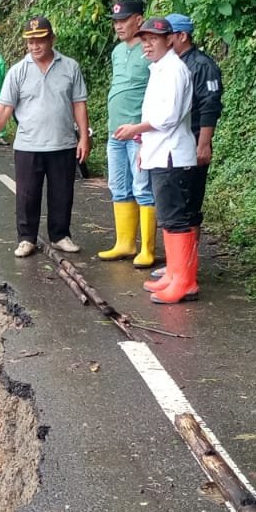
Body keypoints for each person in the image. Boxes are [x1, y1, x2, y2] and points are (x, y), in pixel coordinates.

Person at [0, 16, 90, 258]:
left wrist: (84, 137)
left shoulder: (70, 67)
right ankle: (26, 239)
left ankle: (60, 236)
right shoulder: (18, 71)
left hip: (62, 143)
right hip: (28, 145)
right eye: (30, 41)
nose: (34, 46)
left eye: (39, 40)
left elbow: (79, 104)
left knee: (62, 193)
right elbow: (4, 108)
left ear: (52, 39)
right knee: (27, 195)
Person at [109, 17, 197, 303]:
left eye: (154, 39)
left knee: (176, 219)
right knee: (169, 219)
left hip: (173, 155)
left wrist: (137, 129)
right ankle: (174, 274)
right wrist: (142, 140)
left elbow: (167, 117)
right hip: (160, 153)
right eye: (144, 39)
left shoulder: (173, 70)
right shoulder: (159, 69)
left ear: (170, 40)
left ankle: (184, 281)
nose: (147, 44)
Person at [151, 13, 224, 281]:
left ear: (181, 36)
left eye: (168, 36)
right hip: (174, 144)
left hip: (192, 141)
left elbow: (210, 107)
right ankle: (179, 266)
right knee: (177, 205)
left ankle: (186, 268)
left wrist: (203, 144)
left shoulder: (202, 65)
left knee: (188, 204)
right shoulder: (169, 65)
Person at [97, 0, 158, 269]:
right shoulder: (116, 52)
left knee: (142, 187)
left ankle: (147, 248)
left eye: (123, 21)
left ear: (139, 19)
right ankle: (124, 243)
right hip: (115, 131)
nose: (118, 26)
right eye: (116, 22)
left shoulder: (149, 50)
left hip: (138, 132)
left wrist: (144, 127)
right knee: (118, 186)